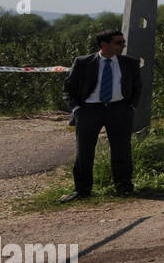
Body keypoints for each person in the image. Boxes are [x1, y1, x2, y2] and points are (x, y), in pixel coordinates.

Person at [59, 30, 143, 201]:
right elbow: (69, 89)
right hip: (89, 110)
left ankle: (124, 187)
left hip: (119, 110)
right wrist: (77, 109)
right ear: (104, 44)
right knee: (84, 152)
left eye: (123, 42)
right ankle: (82, 191)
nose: (123, 46)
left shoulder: (130, 63)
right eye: (118, 43)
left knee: (122, 150)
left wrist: (131, 107)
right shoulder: (83, 62)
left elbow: (137, 88)